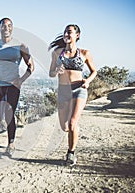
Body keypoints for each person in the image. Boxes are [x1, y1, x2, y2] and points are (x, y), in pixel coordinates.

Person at [48, 24, 97, 165]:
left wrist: (87, 81)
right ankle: (74, 130)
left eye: (70, 32)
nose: (66, 34)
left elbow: (94, 71)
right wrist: (56, 69)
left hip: (79, 89)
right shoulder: (57, 52)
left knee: (72, 122)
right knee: (65, 127)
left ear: (77, 35)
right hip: (63, 91)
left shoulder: (84, 53)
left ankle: (71, 153)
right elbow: (51, 73)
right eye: (65, 32)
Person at [0, 17, 34, 157]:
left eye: (9, 25)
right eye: (3, 26)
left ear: (12, 28)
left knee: (9, 113)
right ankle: (7, 126)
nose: (6, 28)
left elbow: (31, 66)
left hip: (13, 86)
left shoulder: (20, 46)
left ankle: (10, 144)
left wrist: (21, 80)